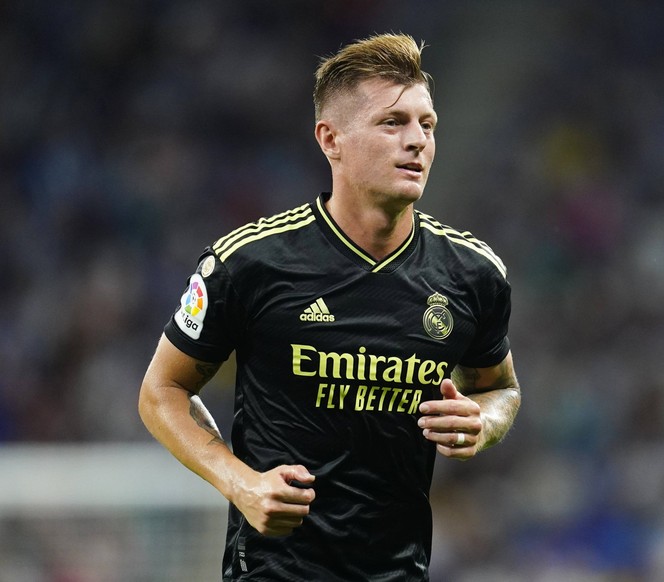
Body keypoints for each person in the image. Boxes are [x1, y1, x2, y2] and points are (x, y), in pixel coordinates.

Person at [139, 32, 521, 581]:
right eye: (393, 123)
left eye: (427, 124)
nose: (417, 141)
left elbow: (501, 388)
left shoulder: (474, 274)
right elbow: (161, 391)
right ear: (330, 139)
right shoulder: (251, 262)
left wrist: (482, 421)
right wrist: (241, 482)